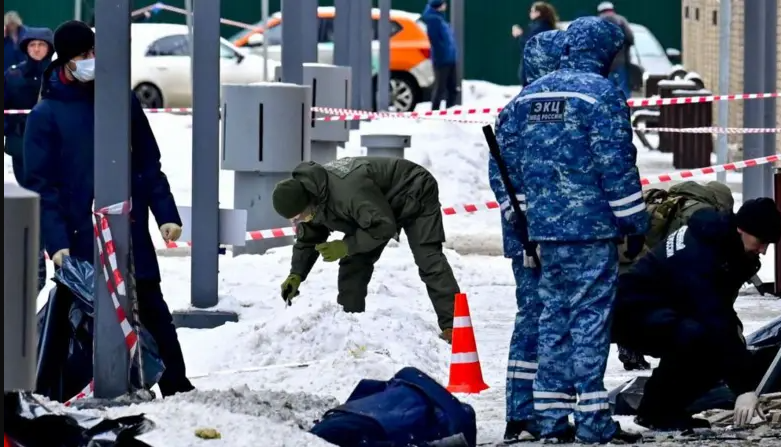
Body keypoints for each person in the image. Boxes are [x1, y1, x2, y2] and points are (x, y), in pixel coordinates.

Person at [23, 20, 194, 398]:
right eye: (84, 56)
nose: (92, 61)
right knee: (76, 316)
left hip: (128, 229)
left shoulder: (121, 100)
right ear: (66, 61)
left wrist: (166, 213)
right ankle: (54, 391)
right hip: (79, 237)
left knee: (150, 305)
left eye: (95, 53)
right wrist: (57, 242)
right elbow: (41, 187)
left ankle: (177, 386)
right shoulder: (46, 115)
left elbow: (148, 163)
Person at [502, 16, 648, 443]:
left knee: (552, 320)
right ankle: (592, 420)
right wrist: (634, 221)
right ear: (604, 51)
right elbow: (616, 165)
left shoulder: (529, 96)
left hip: (544, 234)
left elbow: (512, 171)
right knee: (590, 321)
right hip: (590, 231)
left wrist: (524, 223)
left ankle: (548, 419)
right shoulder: (601, 94)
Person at [613, 198, 781, 430]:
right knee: (702, 340)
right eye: (761, 241)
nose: (762, 250)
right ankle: (657, 412)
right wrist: (745, 389)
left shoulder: (721, 240)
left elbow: (718, 308)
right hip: (632, 312)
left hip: (663, 308)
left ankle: (661, 410)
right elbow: (713, 316)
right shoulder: (700, 254)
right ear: (741, 228)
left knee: (715, 340)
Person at [271, 157, 460, 343]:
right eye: (294, 220)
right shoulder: (313, 199)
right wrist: (296, 274)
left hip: (413, 190)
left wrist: (346, 246)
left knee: (428, 258)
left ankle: (455, 326)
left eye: (299, 217)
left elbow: (384, 226)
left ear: (308, 202)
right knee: (353, 262)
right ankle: (350, 324)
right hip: (375, 208)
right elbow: (308, 239)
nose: (299, 222)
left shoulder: (347, 192)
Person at [491, 29, 566, 443]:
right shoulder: (535, 109)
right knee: (543, 317)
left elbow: (503, 179)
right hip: (541, 235)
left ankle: (529, 409)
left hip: (531, 232)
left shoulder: (518, 109)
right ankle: (532, 409)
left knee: (534, 317)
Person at [616, 180, 735, 371]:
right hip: (648, 264)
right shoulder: (699, 212)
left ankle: (631, 346)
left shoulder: (673, 199)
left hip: (631, 257)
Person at [4, 26, 54, 294]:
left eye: (41, 45)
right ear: (26, 48)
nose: (36, 50)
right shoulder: (12, 75)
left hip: (51, 151)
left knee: (49, 202)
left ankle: (48, 255)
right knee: (29, 201)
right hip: (21, 149)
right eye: (32, 45)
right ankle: (34, 263)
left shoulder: (57, 75)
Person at [421, 0, 459, 110]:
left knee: (452, 88)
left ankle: (450, 111)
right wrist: (443, 53)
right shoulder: (434, 20)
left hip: (449, 57)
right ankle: (435, 112)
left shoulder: (439, 18)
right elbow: (436, 40)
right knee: (441, 88)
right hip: (442, 59)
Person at [510, 2, 558, 85]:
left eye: (532, 11)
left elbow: (530, 44)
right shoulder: (544, 26)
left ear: (538, 13)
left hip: (534, 69)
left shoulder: (539, 27)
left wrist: (519, 35)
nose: (530, 13)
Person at [597, 2, 635, 98]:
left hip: (604, 63)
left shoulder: (597, 22)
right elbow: (630, 38)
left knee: (606, 88)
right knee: (623, 88)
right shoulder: (621, 20)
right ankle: (626, 110)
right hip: (621, 61)